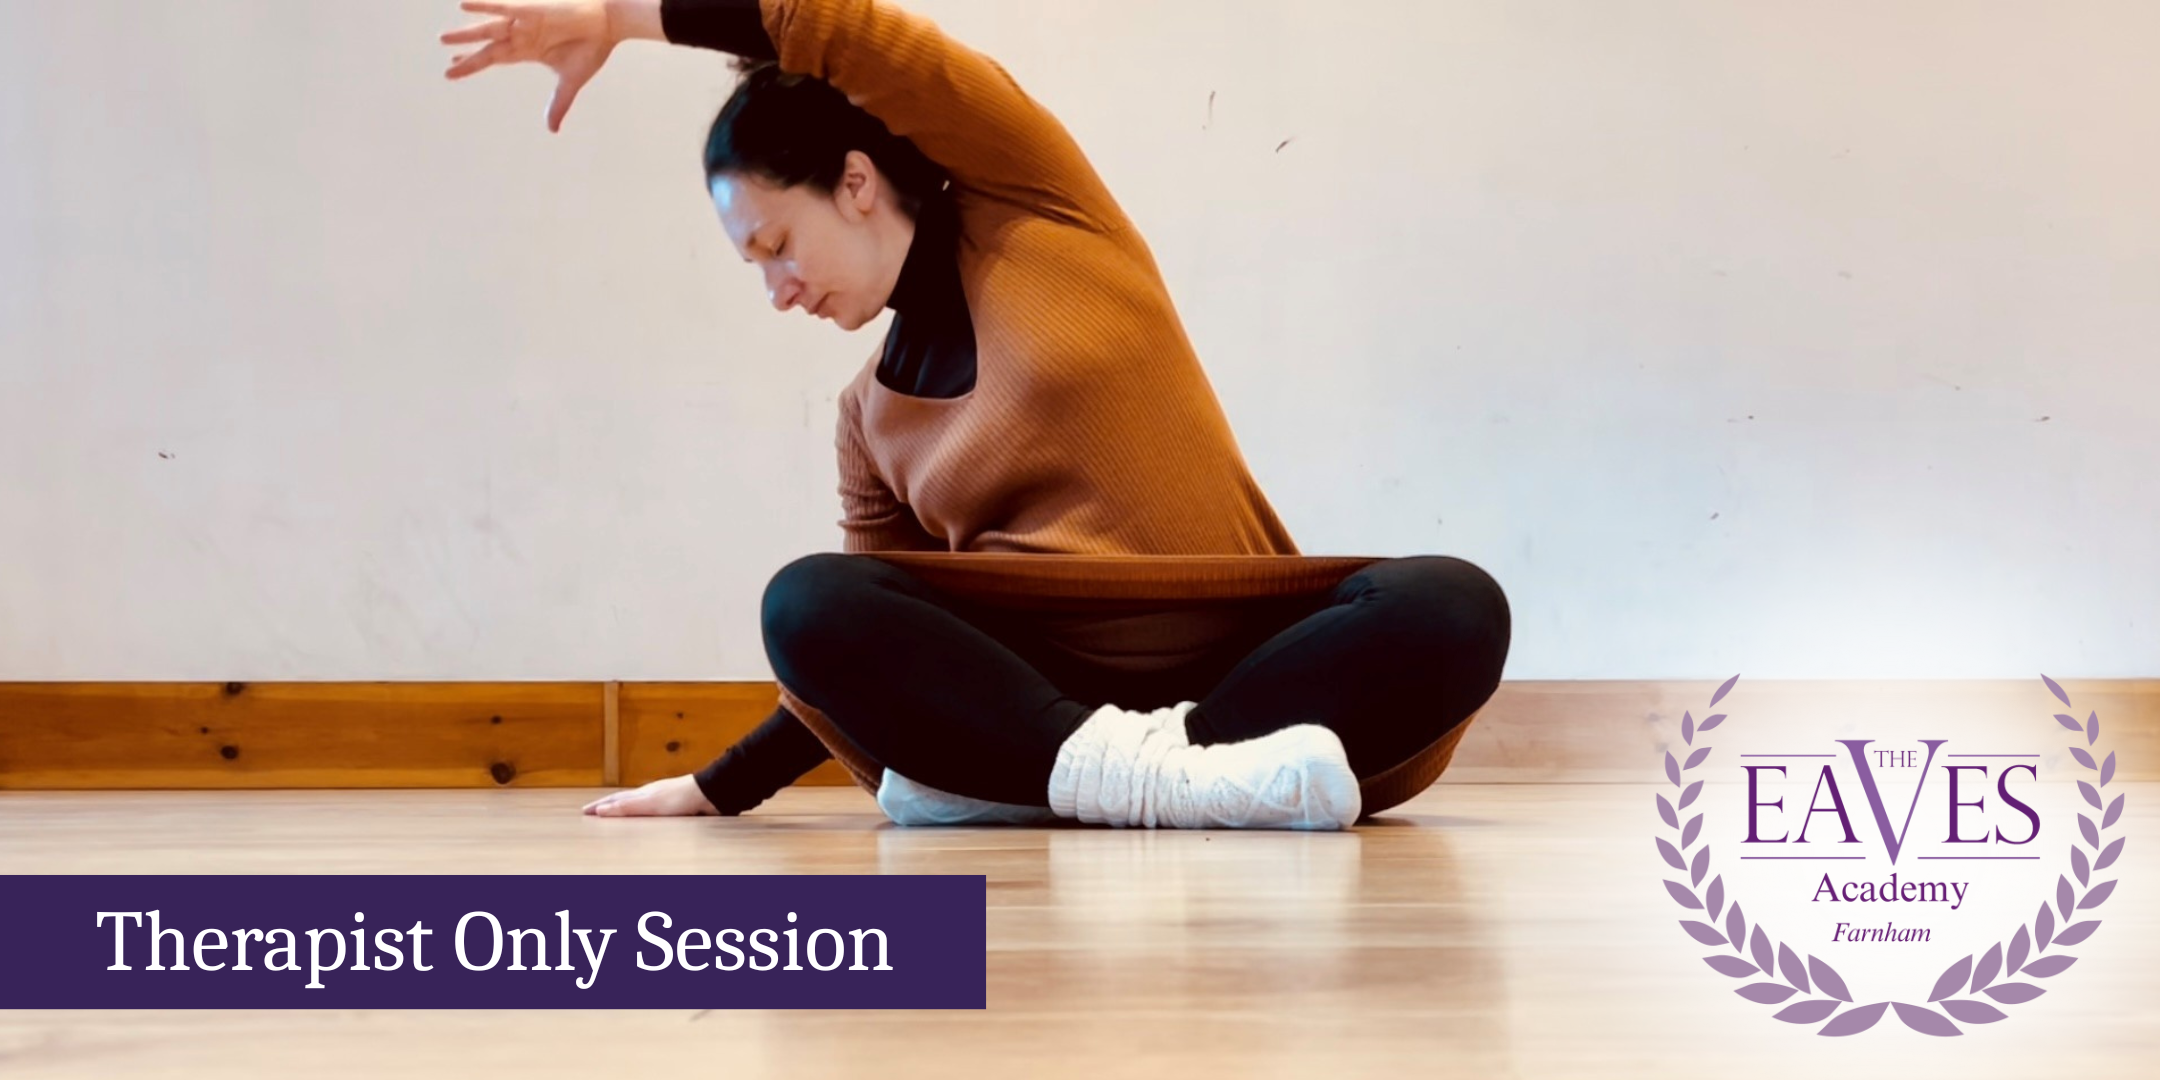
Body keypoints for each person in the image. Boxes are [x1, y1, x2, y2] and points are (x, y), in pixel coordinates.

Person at [440, 0, 1511, 829]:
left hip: (1243, 661)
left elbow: (839, 26)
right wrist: (723, 789)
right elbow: (863, 646)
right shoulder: (868, 420)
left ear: (856, 181)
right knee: (808, 600)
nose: (777, 289)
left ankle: (1094, 779)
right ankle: (1168, 781)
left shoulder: (1035, 202)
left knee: (1454, 604)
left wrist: (621, 19)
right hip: (1042, 689)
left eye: (775, 246)